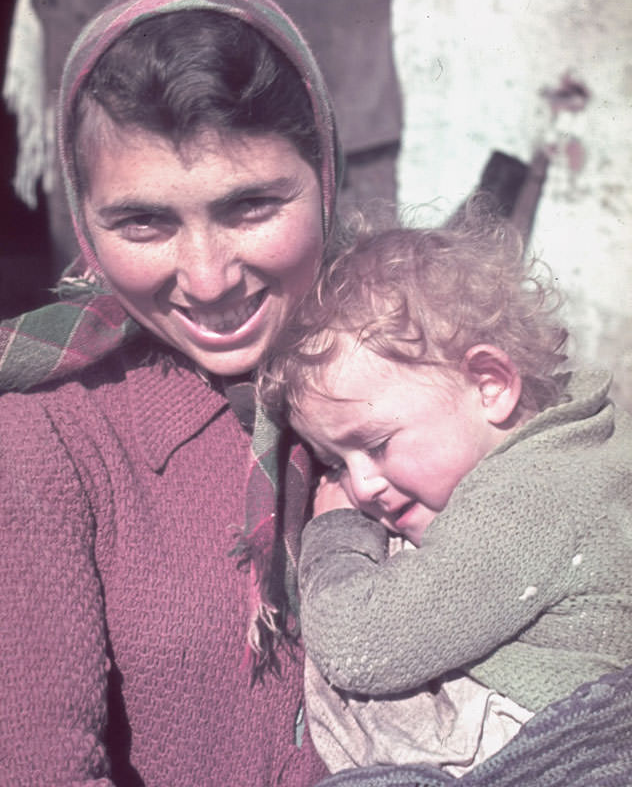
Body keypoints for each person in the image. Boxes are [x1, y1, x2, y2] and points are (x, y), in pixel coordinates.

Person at [0, 0, 342, 786]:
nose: (207, 280)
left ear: (326, 178)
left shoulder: (427, 364)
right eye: (143, 222)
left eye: (250, 208)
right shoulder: (38, 439)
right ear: (85, 225)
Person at [259, 204, 632, 778]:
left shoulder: (529, 501)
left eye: (376, 444)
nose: (359, 487)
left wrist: (335, 533)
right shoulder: (583, 440)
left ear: (490, 384)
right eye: (336, 462)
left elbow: (361, 644)